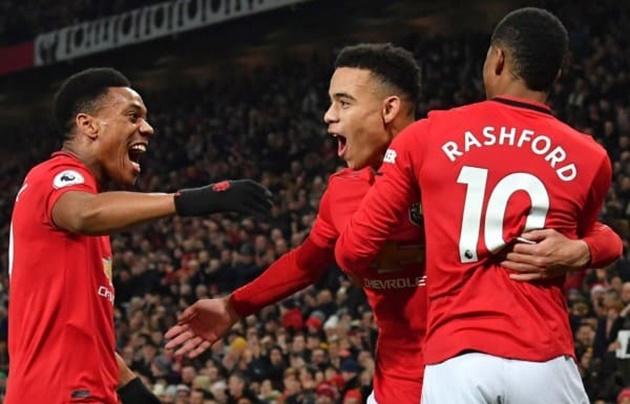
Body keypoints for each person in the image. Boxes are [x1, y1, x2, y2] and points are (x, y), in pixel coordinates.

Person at [164, 43, 621, 403]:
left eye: (343, 102)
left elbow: (594, 230)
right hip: (397, 389)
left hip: (479, 372)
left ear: (388, 110)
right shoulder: (343, 192)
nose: (328, 115)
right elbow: (306, 262)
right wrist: (234, 306)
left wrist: (583, 249)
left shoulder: (461, 168)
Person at [334, 8, 621, 404]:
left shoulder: (427, 136)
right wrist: (582, 251)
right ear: (556, 75)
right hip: (543, 356)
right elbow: (603, 238)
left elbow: (353, 251)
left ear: (497, 59)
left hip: (456, 359)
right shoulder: (590, 156)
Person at [6, 67, 273, 404]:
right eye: (132, 116)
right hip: (59, 394)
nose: (147, 128)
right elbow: (84, 213)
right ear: (88, 125)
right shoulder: (54, 176)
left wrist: (136, 394)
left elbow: (86, 337)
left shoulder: (88, 227)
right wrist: (193, 199)